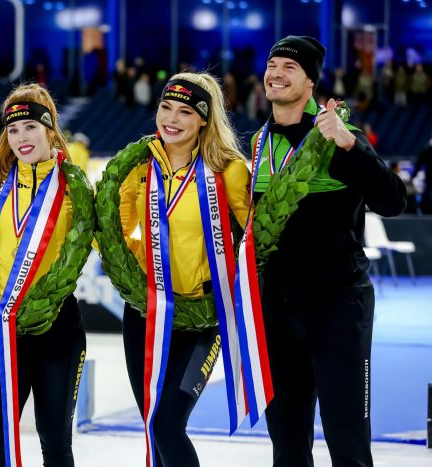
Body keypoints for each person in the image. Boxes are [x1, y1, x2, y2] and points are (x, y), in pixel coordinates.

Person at [254, 36, 407, 467]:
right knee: (286, 441)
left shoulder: (338, 136)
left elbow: (393, 201)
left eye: (290, 67)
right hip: (276, 309)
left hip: (337, 306)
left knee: (347, 442)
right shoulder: (258, 144)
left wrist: (346, 143)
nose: (277, 73)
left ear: (310, 84)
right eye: (273, 64)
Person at [106, 72, 251, 466]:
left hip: (205, 317)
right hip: (146, 313)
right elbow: (115, 229)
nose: (171, 118)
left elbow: (257, 240)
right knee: (153, 425)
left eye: (185, 111)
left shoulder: (230, 170)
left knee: (168, 423)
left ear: (204, 119)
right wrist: (136, 259)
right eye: (166, 107)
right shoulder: (140, 166)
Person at [0, 83, 91, 467]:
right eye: (12, 130)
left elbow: (107, 240)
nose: (21, 138)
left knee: (55, 443)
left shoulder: (74, 186)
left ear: (50, 129)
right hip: (2, 327)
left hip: (57, 328)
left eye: (30, 127)